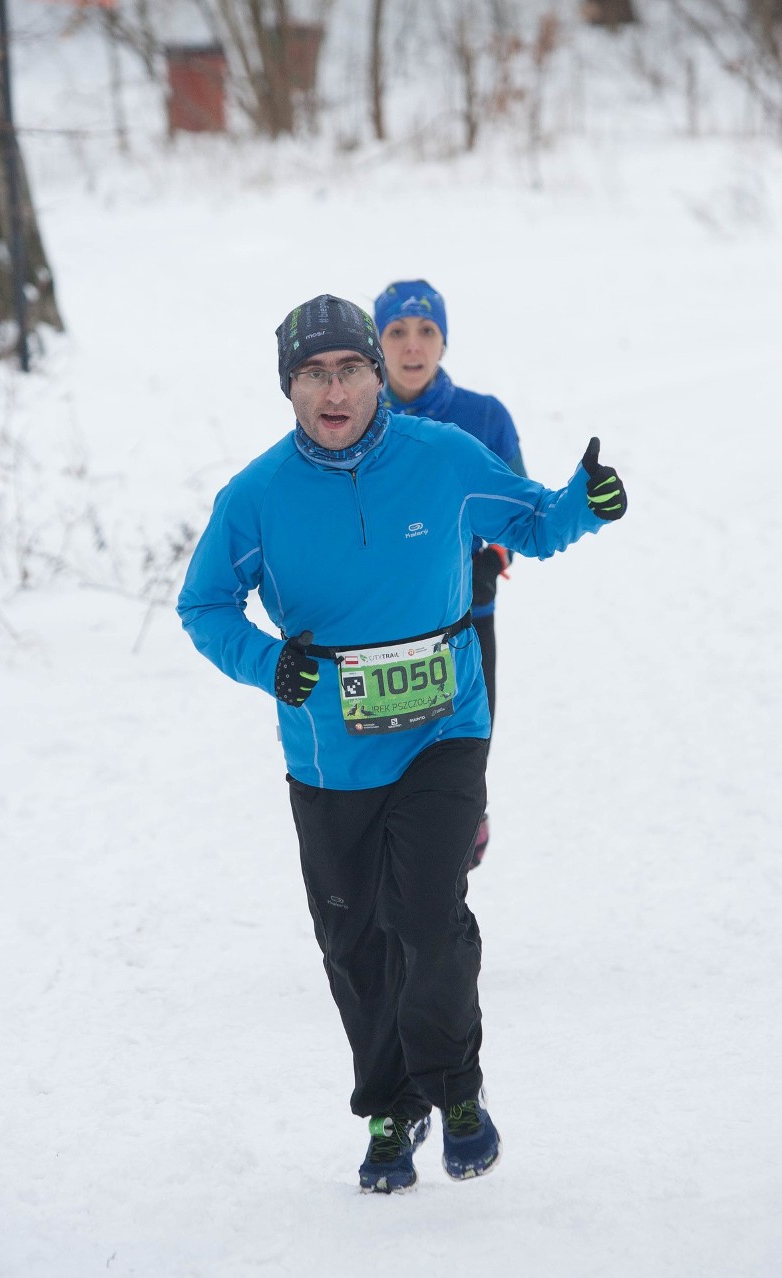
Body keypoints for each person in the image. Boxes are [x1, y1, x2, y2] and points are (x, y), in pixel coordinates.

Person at [177, 294, 626, 1194]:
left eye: (350, 370)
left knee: (426, 913)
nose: (334, 390)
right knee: (353, 942)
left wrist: (588, 504)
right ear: (289, 388)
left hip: (444, 729)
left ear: (377, 378)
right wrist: (270, 665)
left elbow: (531, 522)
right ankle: (391, 1106)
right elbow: (204, 607)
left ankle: (457, 1089)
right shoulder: (255, 497)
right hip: (329, 754)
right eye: (314, 375)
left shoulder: (443, 457)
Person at [374, 279, 525, 868]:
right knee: (382, 766)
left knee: (460, 752)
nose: (413, 346)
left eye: (427, 331)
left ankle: (462, 836)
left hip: (465, 623)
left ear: (444, 339)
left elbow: (516, 511)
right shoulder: (354, 416)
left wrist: (487, 559)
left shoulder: (482, 417)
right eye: (397, 331)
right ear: (377, 341)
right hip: (377, 628)